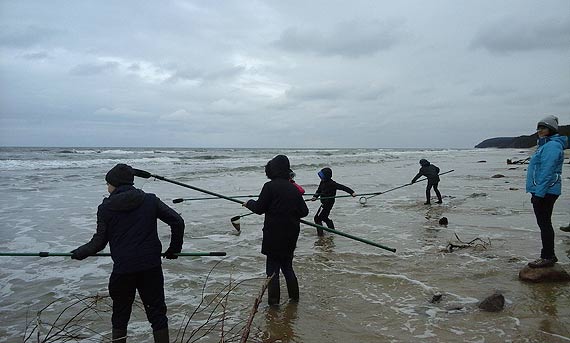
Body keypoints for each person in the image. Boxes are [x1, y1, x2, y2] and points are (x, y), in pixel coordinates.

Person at [70, 164, 185, 342]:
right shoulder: (150, 200)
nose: (107, 188)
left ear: (115, 184)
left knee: (120, 317)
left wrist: (78, 253)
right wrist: (174, 250)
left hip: (123, 270)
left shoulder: (106, 208)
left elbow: (99, 243)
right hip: (151, 268)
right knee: (157, 315)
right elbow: (177, 221)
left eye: (108, 184)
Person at [243, 155, 309, 306]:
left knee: (272, 272)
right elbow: (304, 211)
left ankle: (273, 305)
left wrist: (249, 203)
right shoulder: (293, 188)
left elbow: (259, 208)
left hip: (273, 236)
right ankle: (294, 300)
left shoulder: (269, 186)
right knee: (288, 268)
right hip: (291, 235)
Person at [526, 115, 567, 268]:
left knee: (544, 224)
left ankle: (548, 256)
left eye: (542, 128)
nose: (539, 131)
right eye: (538, 128)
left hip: (546, 191)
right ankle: (548, 255)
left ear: (551, 129)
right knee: (544, 223)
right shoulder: (546, 145)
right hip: (543, 190)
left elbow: (547, 172)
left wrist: (539, 194)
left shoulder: (551, 146)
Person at [310, 167, 356, 236]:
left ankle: (320, 235)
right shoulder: (322, 182)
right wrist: (315, 196)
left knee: (317, 219)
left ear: (327, 177)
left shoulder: (332, 184)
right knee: (324, 218)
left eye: (322, 176)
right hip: (324, 202)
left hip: (328, 204)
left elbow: (343, 187)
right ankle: (332, 231)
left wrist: (352, 192)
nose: (321, 178)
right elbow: (319, 191)